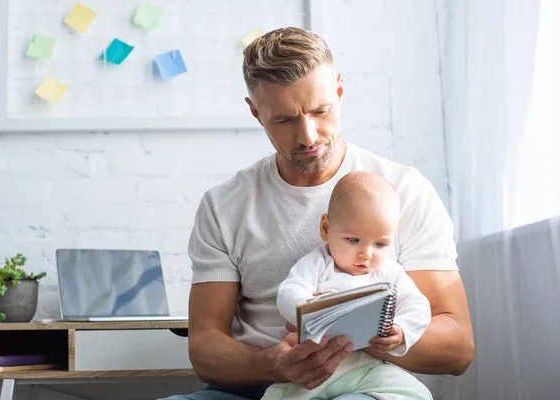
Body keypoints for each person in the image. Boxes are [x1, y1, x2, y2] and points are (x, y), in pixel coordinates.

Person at [161, 27, 474, 400]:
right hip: (256, 387)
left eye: (320, 111)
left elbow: (457, 348)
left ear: (339, 90)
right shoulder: (224, 205)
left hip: (365, 381)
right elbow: (204, 348)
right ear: (255, 112)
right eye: (284, 120)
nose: (307, 135)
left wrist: (355, 332)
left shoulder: (404, 190)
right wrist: (274, 364)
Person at [262, 171, 432, 400]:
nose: (366, 254)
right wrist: (312, 309)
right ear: (325, 228)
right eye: (353, 240)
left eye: (380, 244)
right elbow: (288, 292)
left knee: (415, 392)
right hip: (316, 367)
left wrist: (402, 330)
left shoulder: (390, 271)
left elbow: (418, 304)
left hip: (367, 368)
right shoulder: (319, 263)